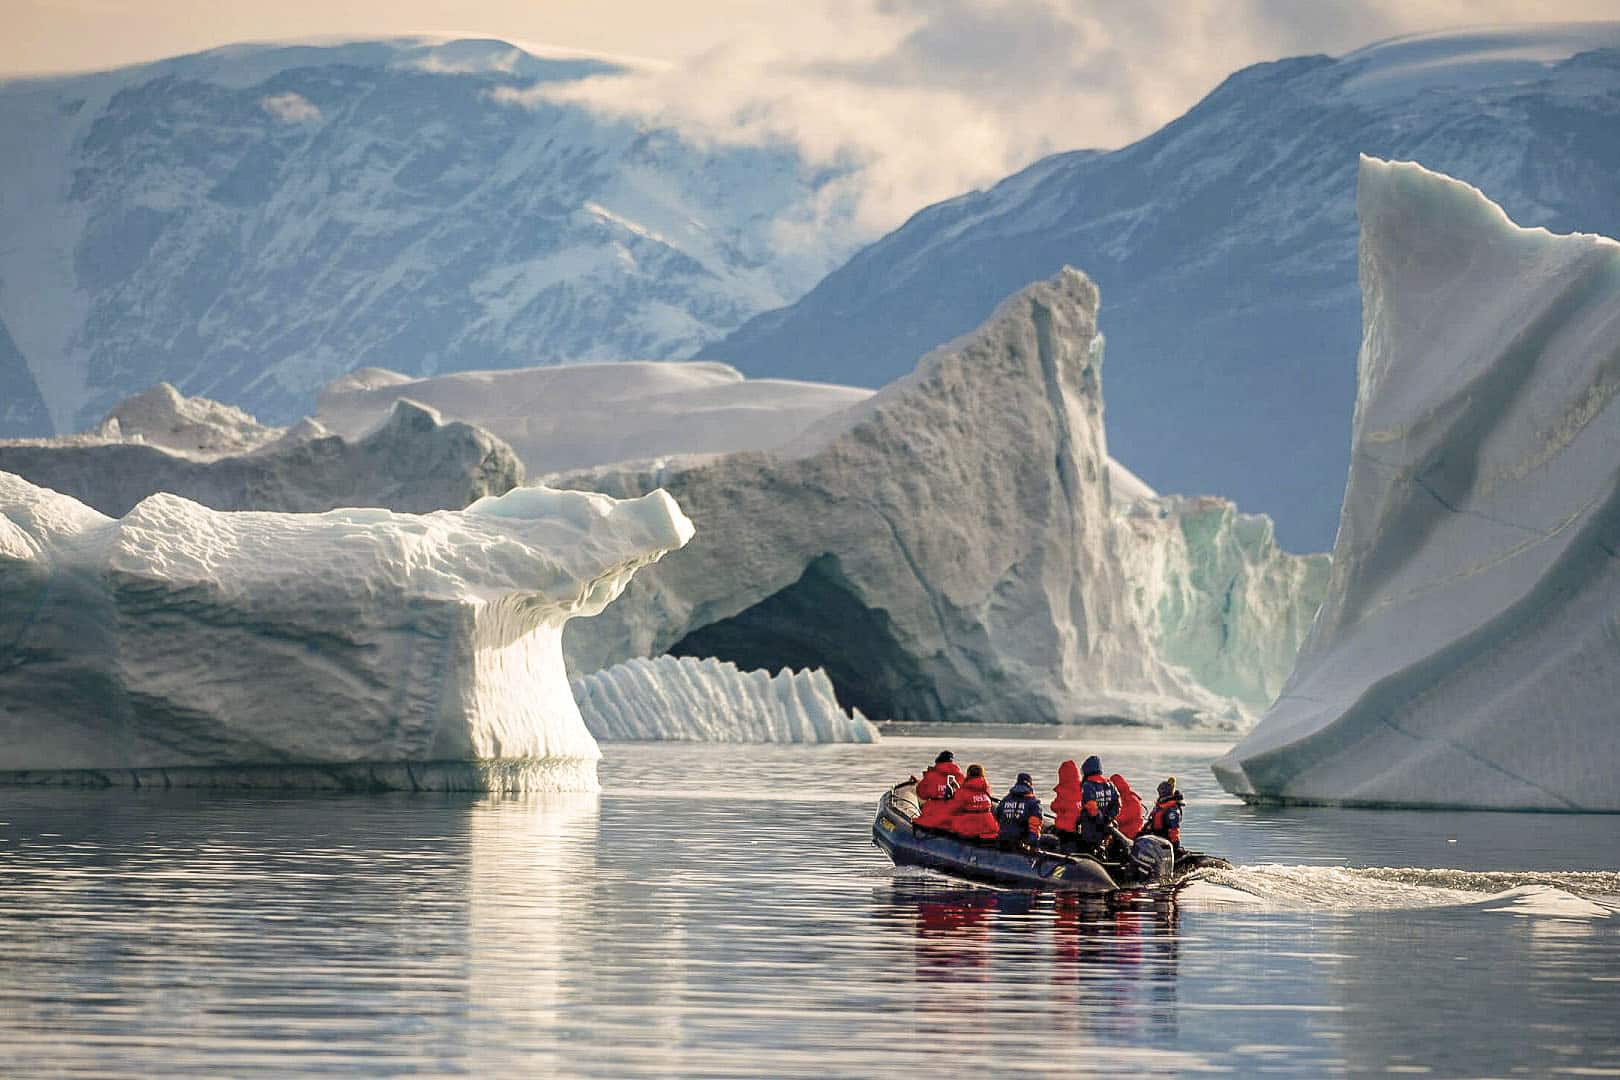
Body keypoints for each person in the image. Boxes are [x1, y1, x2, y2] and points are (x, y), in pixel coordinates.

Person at [1077, 755, 1120, 855]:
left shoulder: (1088, 785)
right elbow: (1117, 804)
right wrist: (1109, 818)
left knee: (1088, 850)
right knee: (1102, 848)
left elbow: (1091, 807)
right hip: (1107, 827)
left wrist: (1100, 820)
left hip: (1091, 828)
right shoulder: (1110, 784)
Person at [947, 764, 1001, 842]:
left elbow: (953, 809)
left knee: (952, 821)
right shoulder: (985, 789)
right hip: (989, 826)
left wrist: (954, 793)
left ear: (968, 774)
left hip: (969, 827)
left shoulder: (963, 791)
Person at [913, 751, 964, 830]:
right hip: (954, 815)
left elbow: (922, 794)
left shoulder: (931, 775)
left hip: (933, 815)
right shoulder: (961, 776)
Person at [995, 772, 1043, 850]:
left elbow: (997, 815)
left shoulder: (1005, 799)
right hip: (1021, 841)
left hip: (1003, 838)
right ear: (1030, 785)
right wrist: (1033, 844)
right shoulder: (1033, 802)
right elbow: (1035, 825)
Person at [1146, 777, 1186, 855]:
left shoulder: (1171, 810)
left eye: (1161, 792)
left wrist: (1175, 846)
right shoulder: (1160, 806)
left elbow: (1174, 829)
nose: (1160, 794)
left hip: (1165, 842)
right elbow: (1150, 823)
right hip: (1155, 838)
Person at [1050, 760, 1084, 848]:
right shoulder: (1082, 788)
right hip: (1079, 829)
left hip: (1064, 830)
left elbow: (1054, 806)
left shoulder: (1064, 791)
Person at [1111, 773, 1145, 840]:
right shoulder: (1121, 798)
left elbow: (1122, 818)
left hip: (1130, 834)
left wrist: (1108, 819)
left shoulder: (1131, 800)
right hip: (1122, 832)